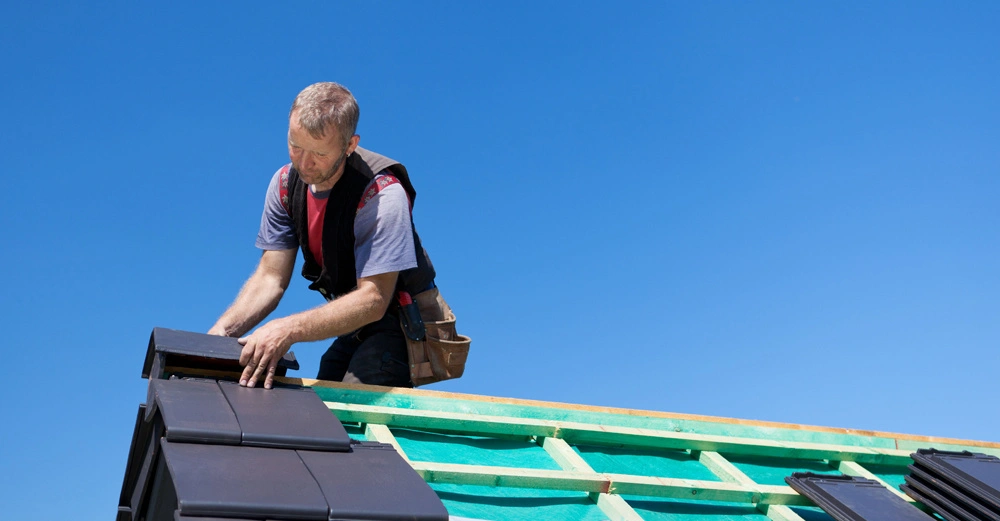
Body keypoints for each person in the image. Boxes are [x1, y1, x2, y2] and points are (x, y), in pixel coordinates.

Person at [208, 82, 437, 390]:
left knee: (344, 415)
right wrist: (219, 335)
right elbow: (270, 279)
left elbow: (374, 299)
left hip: (397, 323)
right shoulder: (285, 186)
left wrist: (287, 329)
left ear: (350, 145)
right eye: (295, 146)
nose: (304, 163)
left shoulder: (382, 194)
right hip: (351, 325)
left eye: (318, 153)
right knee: (316, 407)